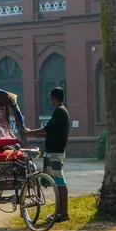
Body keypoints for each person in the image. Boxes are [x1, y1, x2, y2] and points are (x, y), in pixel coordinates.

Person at [25, 87, 70, 222]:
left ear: (54, 98)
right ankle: (60, 211)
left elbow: (46, 130)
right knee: (57, 183)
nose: (50, 101)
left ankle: (63, 212)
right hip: (54, 151)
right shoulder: (60, 112)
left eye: (51, 98)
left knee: (60, 183)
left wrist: (30, 132)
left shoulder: (60, 112)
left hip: (55, 152)